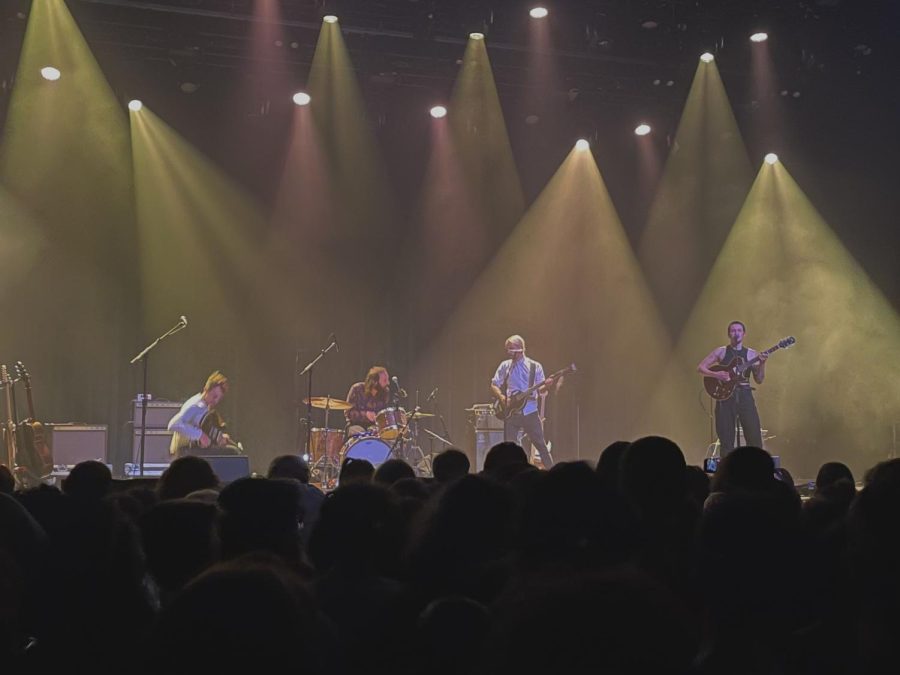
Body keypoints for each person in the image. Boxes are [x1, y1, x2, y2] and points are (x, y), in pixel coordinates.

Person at [697, 321, 768, 456]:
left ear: (744, 334)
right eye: (733, 331)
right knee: (726, 438)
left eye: (739, 330)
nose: (736, 333)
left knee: (754, 436)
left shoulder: (752, 354)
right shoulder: (721, 351)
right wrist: (717, 374)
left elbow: (759, 379)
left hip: (745, 396)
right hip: (725, 398)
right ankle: (727, 472)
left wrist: (763, 363)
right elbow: (700, 367)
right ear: (729, 334)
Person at [490, 335, 555, 469]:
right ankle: (510, 475)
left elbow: (541, 388)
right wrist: (502, 397)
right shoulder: (505, 366)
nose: (509, 352)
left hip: (530, 412)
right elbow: (494, 384)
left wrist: (547, 385)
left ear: (520, 349)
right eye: (507, 349)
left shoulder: (534, 366)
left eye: (511, 349)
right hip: (512, 414)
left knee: (541, 446)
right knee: (509, 449)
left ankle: (553, 473)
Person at [167, 371, 237, 457]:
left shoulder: (205, 406)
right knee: (232, 452)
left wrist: (220, 437)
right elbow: (173, 424)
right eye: (214, 396)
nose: (216, 401)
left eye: (219, 398)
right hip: (184, 451)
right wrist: (200, 435)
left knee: (232, 450)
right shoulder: (195, 405)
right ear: (206, 390)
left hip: (193, 448)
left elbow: (202, 428)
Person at [345, 366, 392, 435]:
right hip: (356, 426)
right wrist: (365, 415)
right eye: (385, 380)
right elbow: (348, 413)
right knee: (360, 432)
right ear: (374, 382)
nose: (388, 383)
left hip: (374, 428)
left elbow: (384, 415)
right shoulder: (357, 389)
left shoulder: (385, 393)